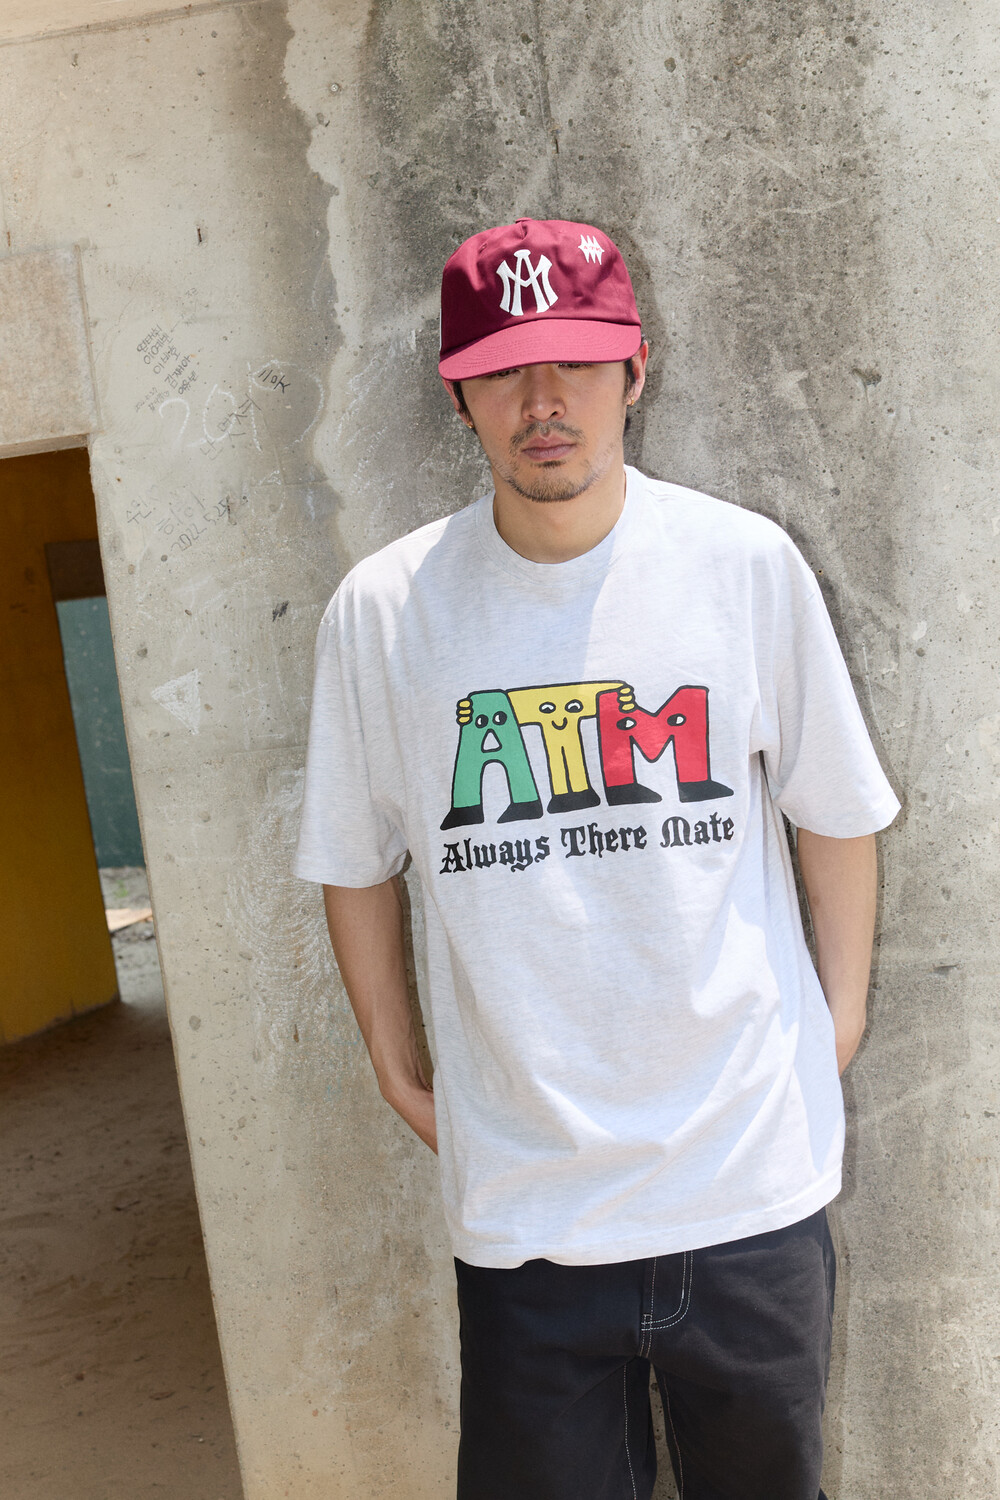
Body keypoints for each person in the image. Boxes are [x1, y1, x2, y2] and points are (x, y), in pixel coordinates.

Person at [294, 217, 900, 1500]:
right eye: (504, 370)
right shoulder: (387, 613)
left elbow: (834, 811)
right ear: (458, 395)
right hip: (529, 1211)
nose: (543, 401)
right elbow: (353, 858)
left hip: (747, 1186)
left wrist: (834, 1019)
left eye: (574, 360)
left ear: (634, 368)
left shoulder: (740, 566)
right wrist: (396, 1067)